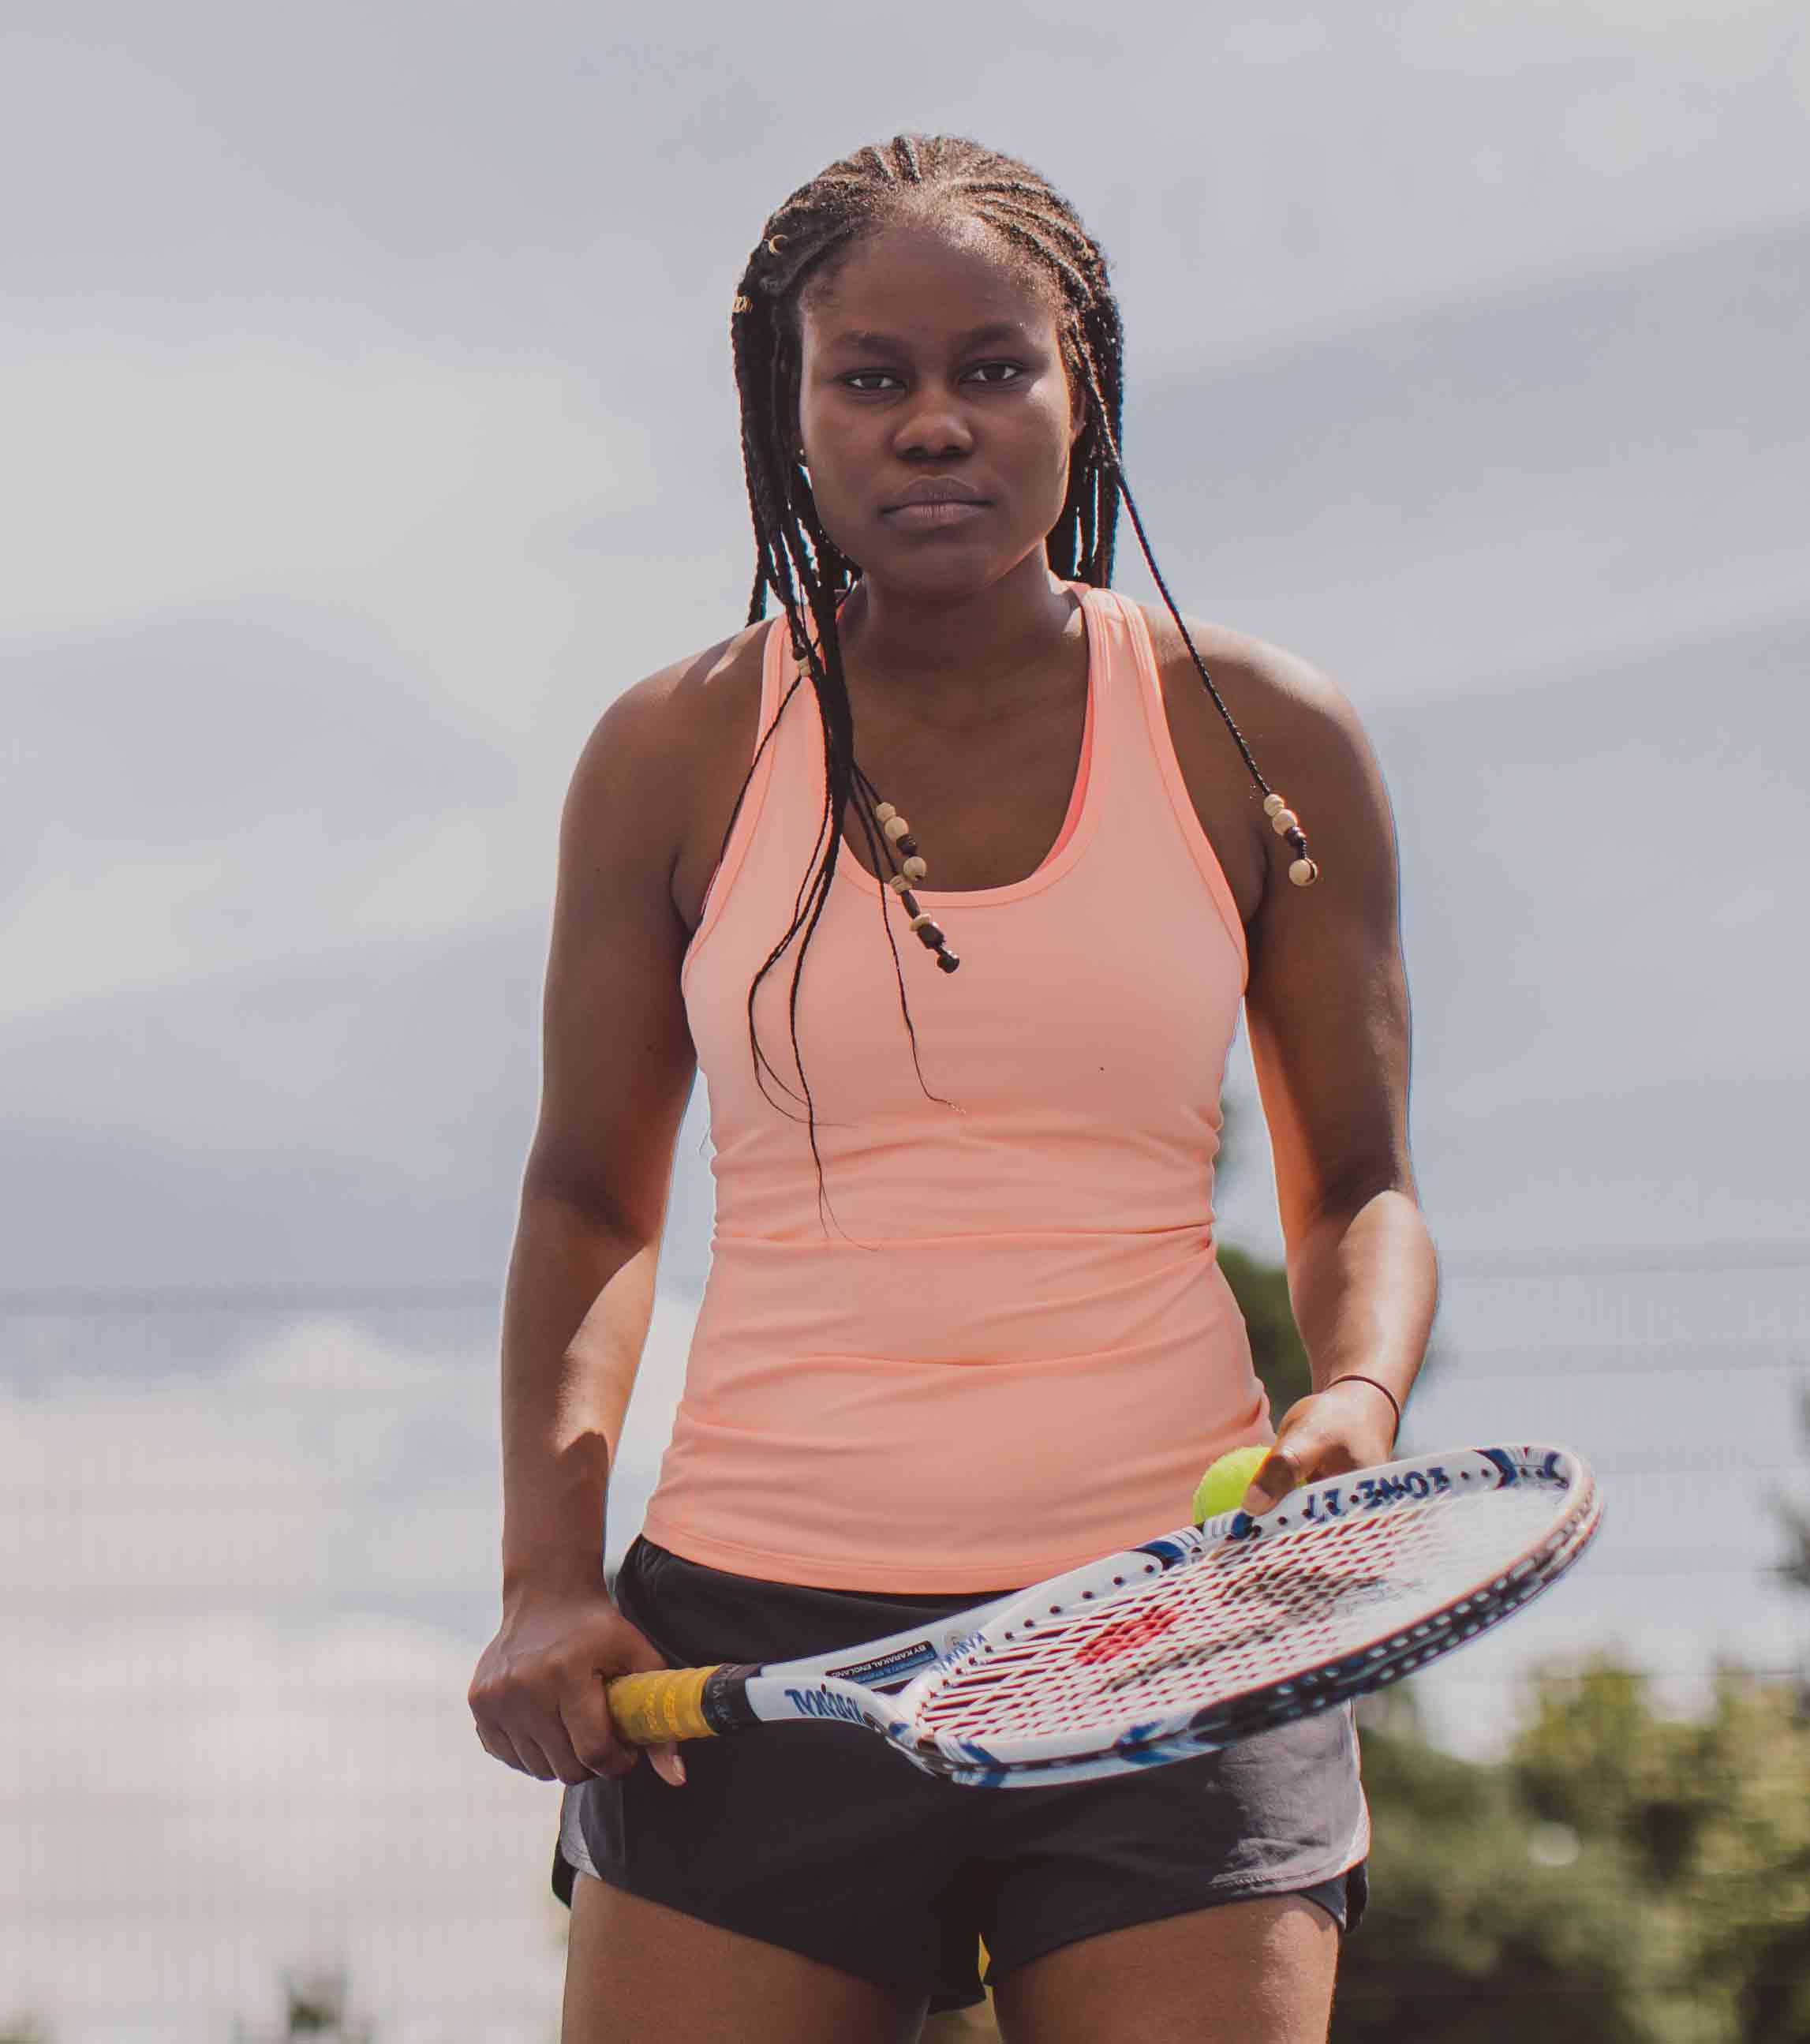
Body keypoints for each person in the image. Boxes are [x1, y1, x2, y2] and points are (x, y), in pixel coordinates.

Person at [468, 133, 1438, 2044]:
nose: (933, 420)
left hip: (1177, 1628)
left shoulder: (1261, 736)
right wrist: (542, 1577)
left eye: (994, 366)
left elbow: (1360, 1185)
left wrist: (1353, 1392)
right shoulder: (671, 753)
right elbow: (587, 1200)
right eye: (870, 375)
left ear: (1083, 393)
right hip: (747, 1640)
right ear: (789, 411)